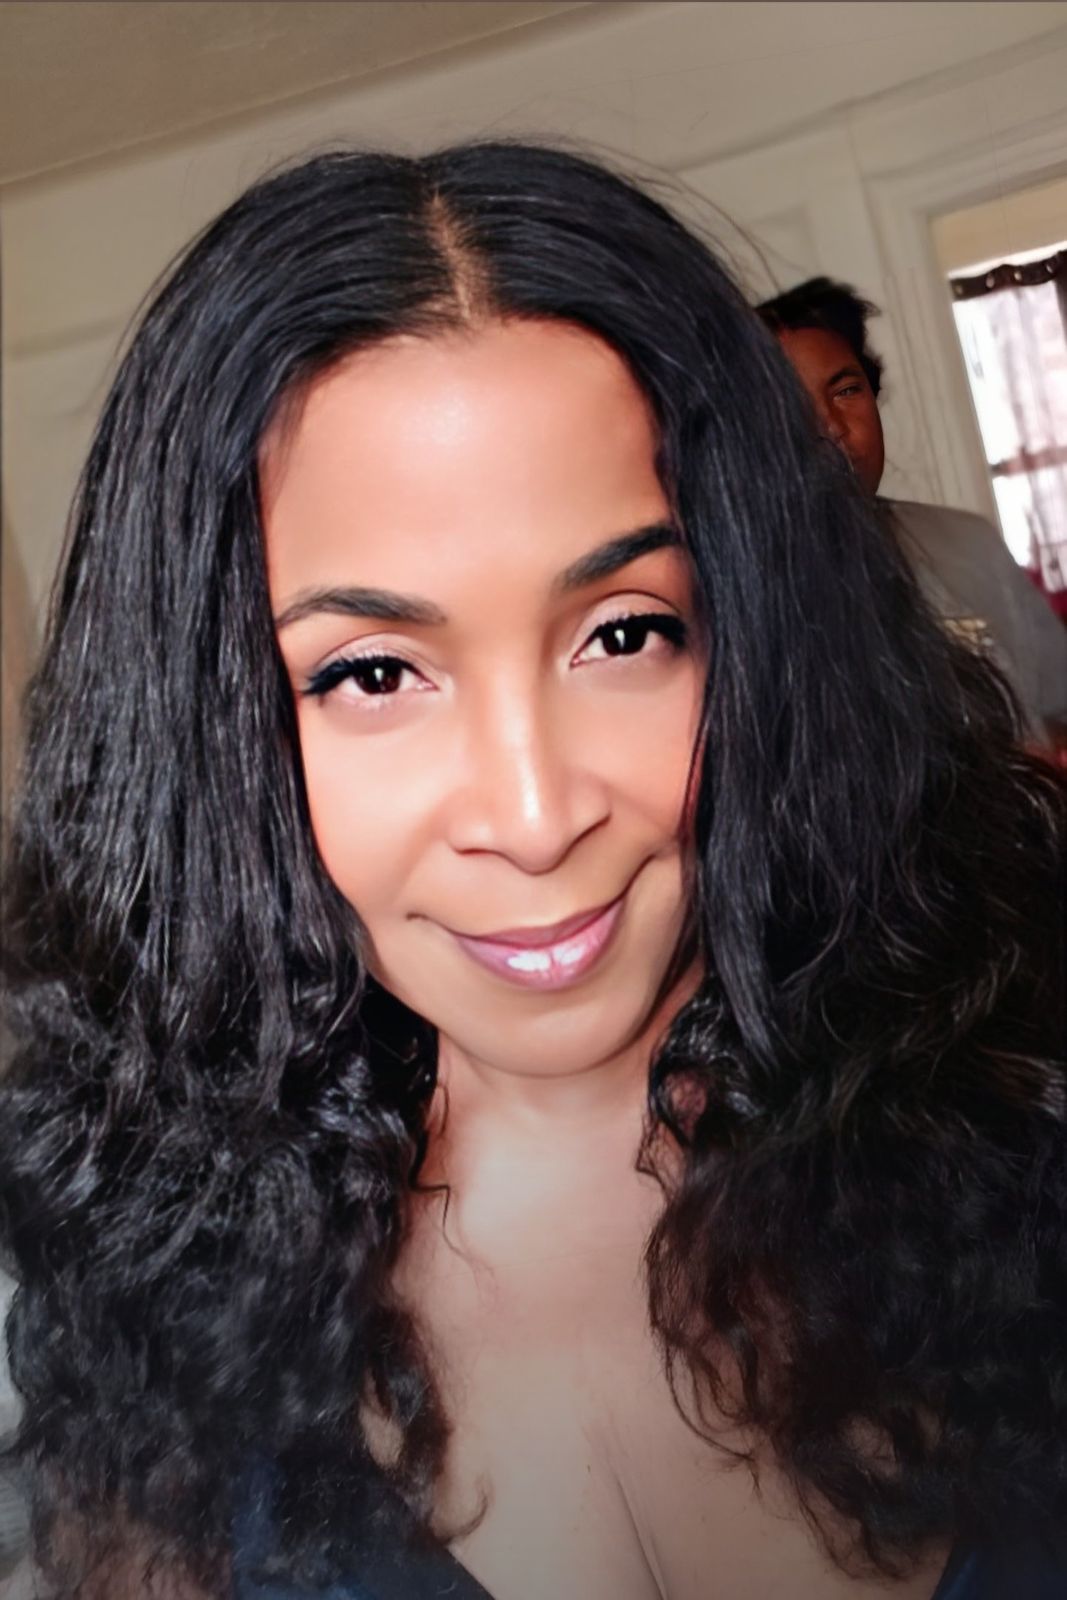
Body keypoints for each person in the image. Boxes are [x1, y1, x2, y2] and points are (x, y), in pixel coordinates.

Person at [1, 144, 1065, 1600]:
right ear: (210, 741)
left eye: (623, 633)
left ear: (761, 638)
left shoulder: (1016, 1139)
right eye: (372, 672)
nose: (533, 813)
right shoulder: (156, 1340)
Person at [756, 276, 1067, 747]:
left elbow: (1055, 704)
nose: (831, 427)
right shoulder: (743, 594)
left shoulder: (967, 541)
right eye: (789, 406)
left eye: (846, 391)